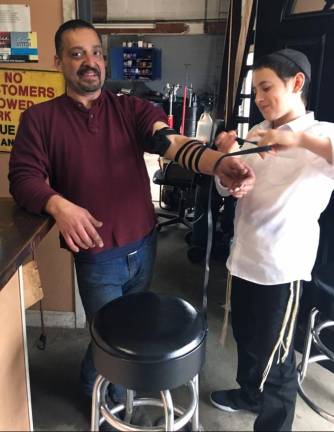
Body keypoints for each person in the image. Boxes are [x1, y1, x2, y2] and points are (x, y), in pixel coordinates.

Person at [8, 19, 255, 406]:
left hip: (144, 243)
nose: (90, 62)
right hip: (97, 255)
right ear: (58, 62)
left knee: (121, 333)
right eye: (77, 54)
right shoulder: (40, 120)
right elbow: (22, 179)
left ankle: (94, 384)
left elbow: (169, 141)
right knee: (111, 340)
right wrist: (58, 205)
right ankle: (110, 404)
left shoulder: (130, 108)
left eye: (95, 53)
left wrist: (216, 163)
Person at [210, 48, 334, 431]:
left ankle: (274, 423)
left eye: (266, 87)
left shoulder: (321, 134)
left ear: (296, 83)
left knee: (277, 358)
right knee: (246, 339)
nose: (260, 98)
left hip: (281, 268)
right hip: (244, 257)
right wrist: (227, 166)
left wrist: (298, 142)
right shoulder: (255, 133)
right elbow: (225, 187)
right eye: (256, 89)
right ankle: (249, 393)